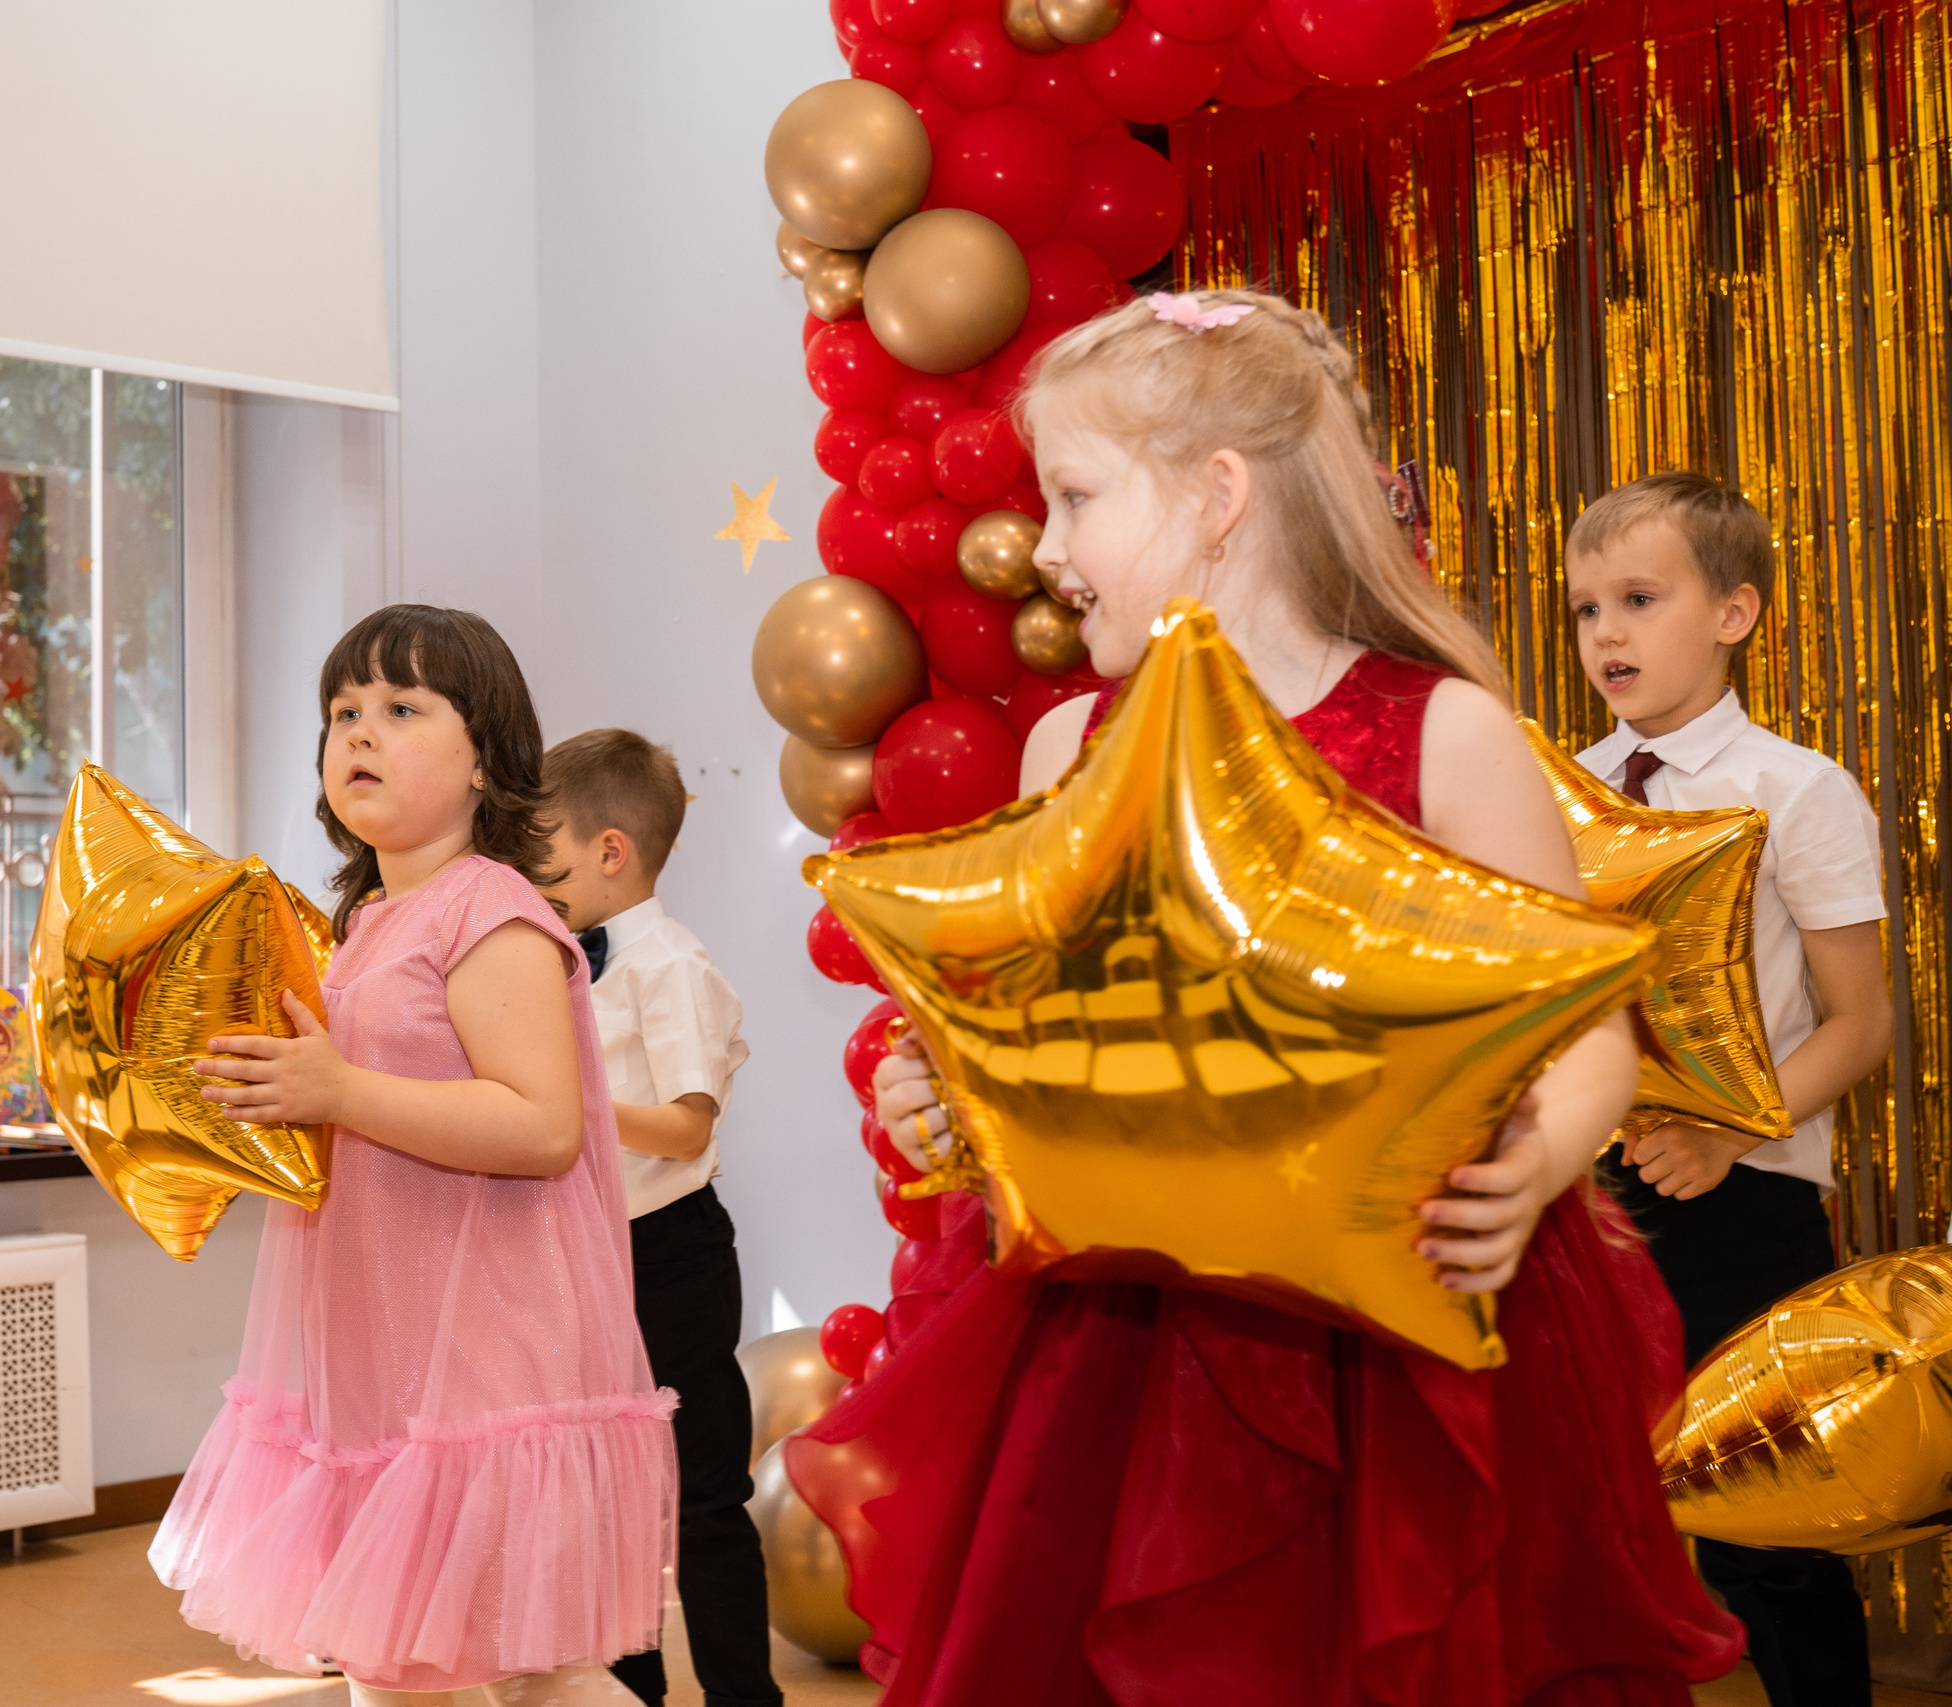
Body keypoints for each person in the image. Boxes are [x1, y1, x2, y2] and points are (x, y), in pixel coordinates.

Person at [791, 289, 1746, 1706]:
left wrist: (1539, 1158)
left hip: (1408, 1341)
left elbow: (1588, 1032)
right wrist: (938, 1092)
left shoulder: (1444, 733)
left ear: (1218, 495)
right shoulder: (1071, 743)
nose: (1044, 550)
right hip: (1125, 1356)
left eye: (1074, 496)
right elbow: (1022, 1038)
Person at [156, 604, 677, 1707]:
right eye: (343, 712)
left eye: (401, 709)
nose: (359, 732)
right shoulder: (367, 925)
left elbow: (542, 1127)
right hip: (381, 1345)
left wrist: (339, 1090)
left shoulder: (486, 908)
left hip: (483, 1343)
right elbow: (373, 1110)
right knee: (394, 1657)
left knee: (536, 1668)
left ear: (486, 757)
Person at [1570, 472, 1892, 1707]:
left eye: (1640, 599)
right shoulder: (1568, 785)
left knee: (1766, 1534)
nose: (1607, 633)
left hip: (1743, 1205)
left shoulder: (1797, 790)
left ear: (1733, 614)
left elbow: (1861, 1023)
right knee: (1598, 1521)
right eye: (1588, 607)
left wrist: (1720, 1136)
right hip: (1588, 1202)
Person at [540, 728, 777, 1707]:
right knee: (607, 1507)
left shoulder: (670, 965)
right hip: (586, 1259)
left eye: (539, 852)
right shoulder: (555, 965)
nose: (523, 873)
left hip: (673, 1256)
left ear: (609, 852)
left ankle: (742, 1700)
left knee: (704, 1504)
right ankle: (632, 1693)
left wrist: (563, 1102)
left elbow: (683, 1130)